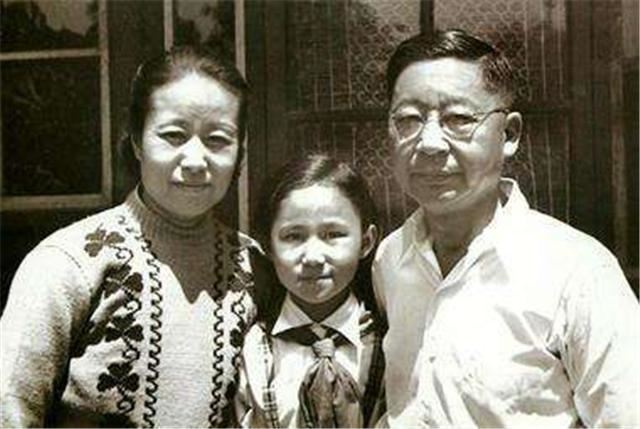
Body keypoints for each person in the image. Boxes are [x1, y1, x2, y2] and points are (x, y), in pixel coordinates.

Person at [372, 29, 640, 427]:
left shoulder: (578, 272)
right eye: (408, 119)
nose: (429, 142)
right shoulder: (391, 259)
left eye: (459, 119)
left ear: (509, 134)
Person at [0, 45, 264, 427]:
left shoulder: (256, 269)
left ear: (241, 152)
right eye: (173, 135)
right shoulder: (68, 263)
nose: (195, 161)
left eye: (218, 139)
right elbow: (8, 409)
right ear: (137, 141)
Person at [235, 154, 386, 428]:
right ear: (268, 246)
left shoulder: (391, 343)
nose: (313, 257)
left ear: (366, 242)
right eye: (293, 236)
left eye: (333, 234)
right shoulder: (248, 350)